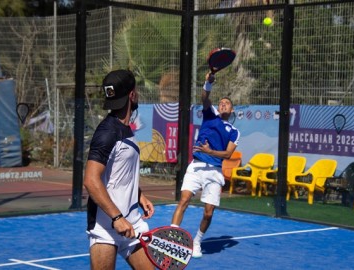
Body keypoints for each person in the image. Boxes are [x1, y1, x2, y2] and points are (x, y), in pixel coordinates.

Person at [84, 69, 155, 270]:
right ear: (132, 95)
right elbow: (91, 180)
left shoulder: (126, 129)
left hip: (132, 222)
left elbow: (120, 171)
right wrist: (116, 217)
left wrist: (139, 196)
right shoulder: (107, 132)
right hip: (106, 226)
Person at [171, 71, 240, 258]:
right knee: (184, 200)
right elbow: (204, 97)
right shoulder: (210, 115)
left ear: (232, 110)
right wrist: (207, 83)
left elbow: (227, 153)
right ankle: (171, 237)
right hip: (197, 166)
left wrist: (211, 152)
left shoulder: (234, 131)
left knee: (208, 213)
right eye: (221, 103)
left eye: (227, 104)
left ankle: (197, 242)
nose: (223, 104)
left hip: (215, 172)